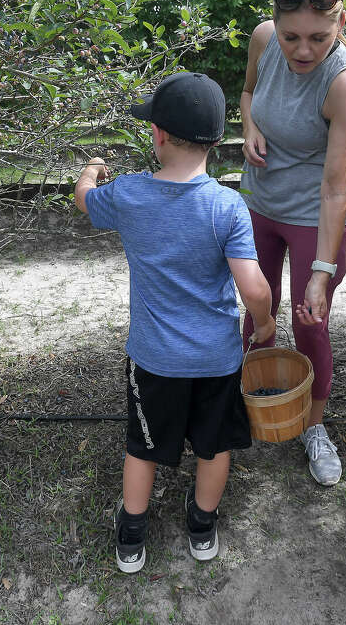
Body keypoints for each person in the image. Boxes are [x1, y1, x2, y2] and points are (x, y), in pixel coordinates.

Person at [75, 71, 275, 575]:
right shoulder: (228, 206)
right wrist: (265, 324)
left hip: (154, 359)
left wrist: (91, 166)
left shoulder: (127, 195)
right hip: (216, 359)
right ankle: (202, 524)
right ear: (215, 141)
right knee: (214, 445)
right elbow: (252, 288)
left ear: (158, 135)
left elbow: (84, 200)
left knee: (142, 447)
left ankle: (132, 534)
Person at [239, 0, 346, 486]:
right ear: (275, 24)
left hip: (315, 216)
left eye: (318, 37)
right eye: (292, 36)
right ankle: (257, 399)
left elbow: (336, 186)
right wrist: (248, 126)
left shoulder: (344, 82)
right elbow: (247, 94)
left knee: (310, 320)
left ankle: (315, 427)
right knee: (256, 306)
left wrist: (321, 270)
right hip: (259, 202)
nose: (302, 50)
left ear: (339, 24)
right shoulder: (264, 40)